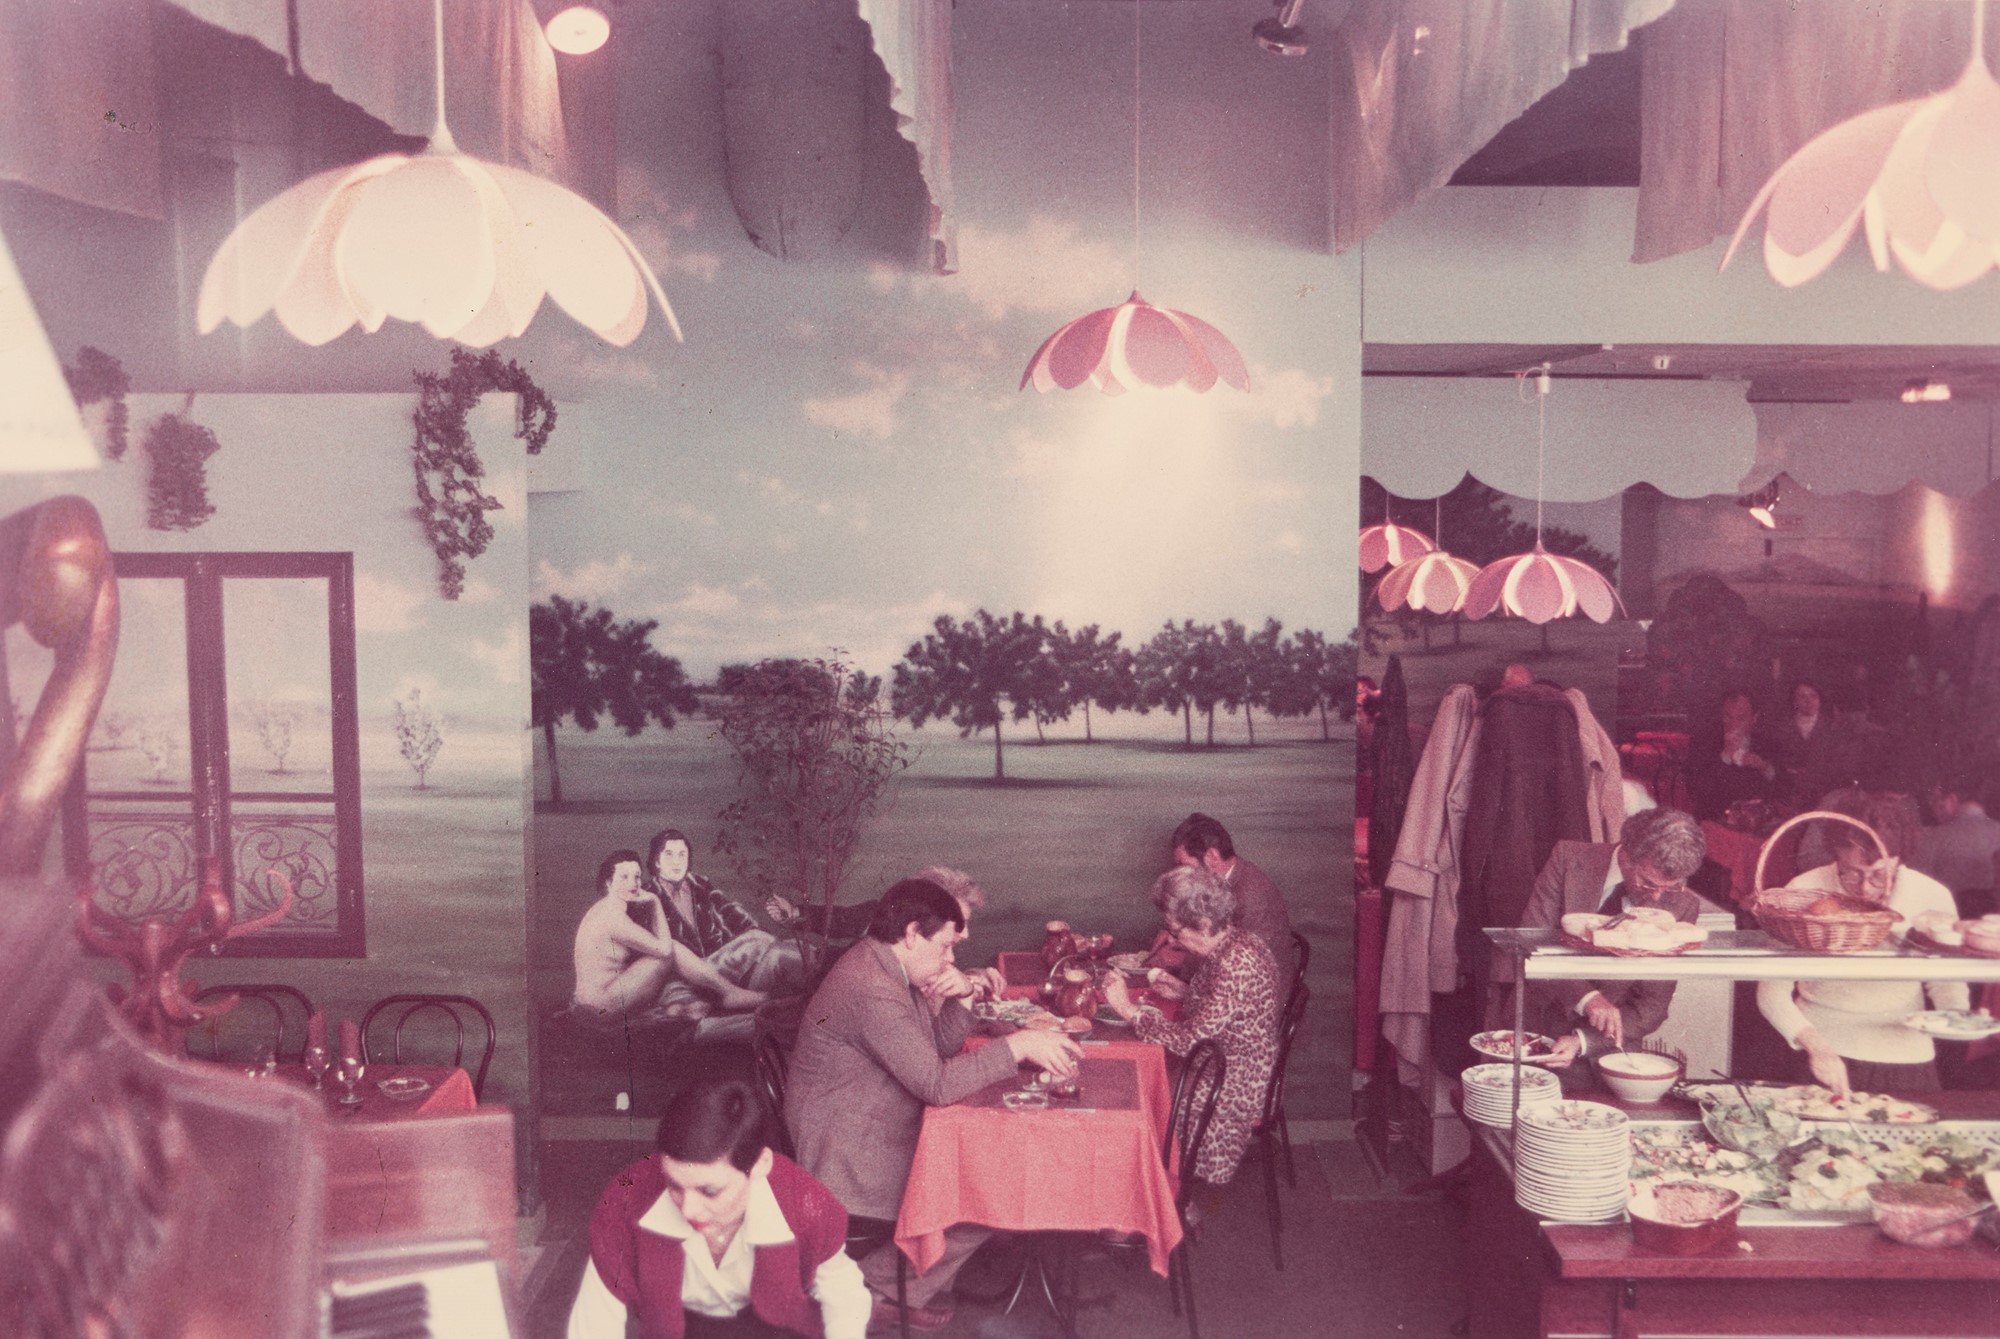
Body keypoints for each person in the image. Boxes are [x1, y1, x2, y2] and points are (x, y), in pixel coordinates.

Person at [783, 878, 1081, 1331]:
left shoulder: (884, 966)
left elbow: (934, 1050)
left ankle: (897, 1281)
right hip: (845, 1149)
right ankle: (866, 1287)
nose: (951, 960)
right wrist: (1016, 1046)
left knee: (993, 1169)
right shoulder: (872, 986)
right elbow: (937, 1084)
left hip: (862, 1122)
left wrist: (962, 996)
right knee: (992, 1186)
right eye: (945, 947)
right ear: (911, 934)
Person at [567, 1078, 869, 1339]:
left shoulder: (803, 1201)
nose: (689, 1210)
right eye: (674, 1185)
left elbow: (842, 1297)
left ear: (760, 1164)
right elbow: (596, 1321)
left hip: (781, 1330)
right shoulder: (626, 1201)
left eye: (709, 1191)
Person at [1758, 791, 1970, 1095]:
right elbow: (1771, 992)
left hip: (1907, 1055)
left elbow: (1947, 982)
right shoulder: (1804, 889)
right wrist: (1817, 1048)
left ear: (1899, 861)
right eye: (1853, 874)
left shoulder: (1931, 895)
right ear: (1836, 856)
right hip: (1822, 1051)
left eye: (1879, 876)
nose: (1866, 889)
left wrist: (1957, 1017)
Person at [1102, 866, 1280, 1198]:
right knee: (1137, 1083)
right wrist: (1185, 992)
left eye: (1174, 930)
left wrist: (1127, 1010)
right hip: (1220, 1063)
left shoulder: (1237, 963)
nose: (1171, 940)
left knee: (1136, 1098)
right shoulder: (1236, 941)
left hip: (1230, 1083)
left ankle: (1167, 1202)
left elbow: (1188, 1041)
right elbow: (1230, 1010)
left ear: (1203, 922)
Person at [1512, 809, 1717, 1087]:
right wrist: (1587, 998)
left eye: (1671, 887)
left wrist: (1582, 1041)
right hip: (1534, 1029)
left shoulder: (1683, 906)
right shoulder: (1568, 858)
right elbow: (1531, 946)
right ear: (1627, 856)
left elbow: (1653, 1005)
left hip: (1607, 1054)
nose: (1658, 897)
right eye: (1648, 883)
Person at [571, 851, 768, 1028]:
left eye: (637, 876)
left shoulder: (608, 908)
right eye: (624, 877)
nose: (633, 883)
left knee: (665, 956)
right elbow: (664, 949)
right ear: (608, 883)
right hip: (601, 1007)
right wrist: (655, 902)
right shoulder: (612, 916)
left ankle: (716, 996)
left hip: (598, 1000)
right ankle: (729, 993)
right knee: (670, 949)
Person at [646, 830, 805, 1040]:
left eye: (682, 854)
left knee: (764, 941)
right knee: (690, 1009)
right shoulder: (648, 898)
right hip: (680, 980)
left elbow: (734, 916)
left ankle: (806, 988)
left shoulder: (699, 885)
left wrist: (755, 941)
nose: (677, 862)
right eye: (669, 854)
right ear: (656, 861)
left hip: (721, 971)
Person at [1159, 813, 1297, 1000]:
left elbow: (1236, 966)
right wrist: (1177, 938)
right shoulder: (1231, 878)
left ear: (1212, 856)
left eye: (1184, 865)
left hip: (1259, 1001)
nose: (1181, 874)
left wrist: (1180, 960)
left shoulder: (1249, 898)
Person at [1915, 772, 2000, 918]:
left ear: (1951, 800)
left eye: (1935, 800)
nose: (1933, 809)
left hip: (1944, 923)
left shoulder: (1932, 837)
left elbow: (1916, 888)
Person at [1686, 691, 1776, 822]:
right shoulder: (1703, 742)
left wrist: (1764, 767)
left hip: (1756, 821)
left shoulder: (1766, 744)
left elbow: (1782, 788)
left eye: (1741, 718)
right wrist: (1725, 757)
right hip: (1714, 819)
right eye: (1728, 717)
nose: (1733, 724)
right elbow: (1695, 791)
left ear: (1754, 718)